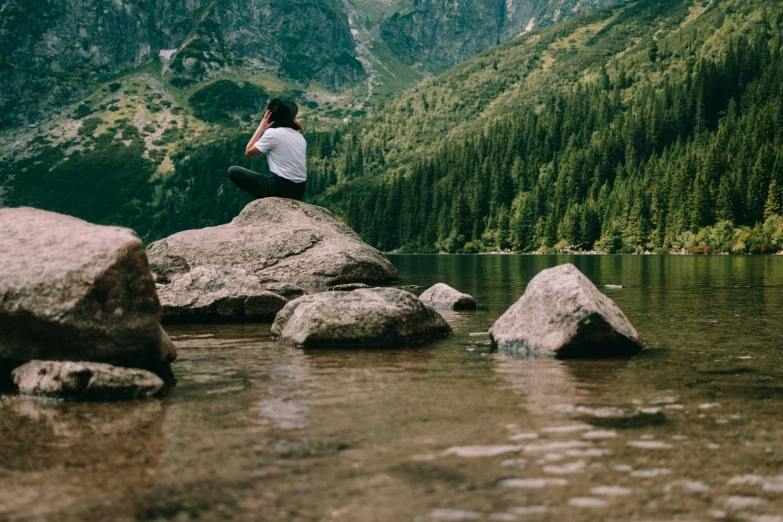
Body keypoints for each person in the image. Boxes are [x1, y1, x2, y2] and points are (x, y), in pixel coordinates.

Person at [227, 98, 307, 200]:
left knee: (233, 171)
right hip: (299, 191)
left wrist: (261, 127)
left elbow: (249, 152)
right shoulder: (300, 137)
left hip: (279, 189)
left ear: (271, 120)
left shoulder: (273, 134)